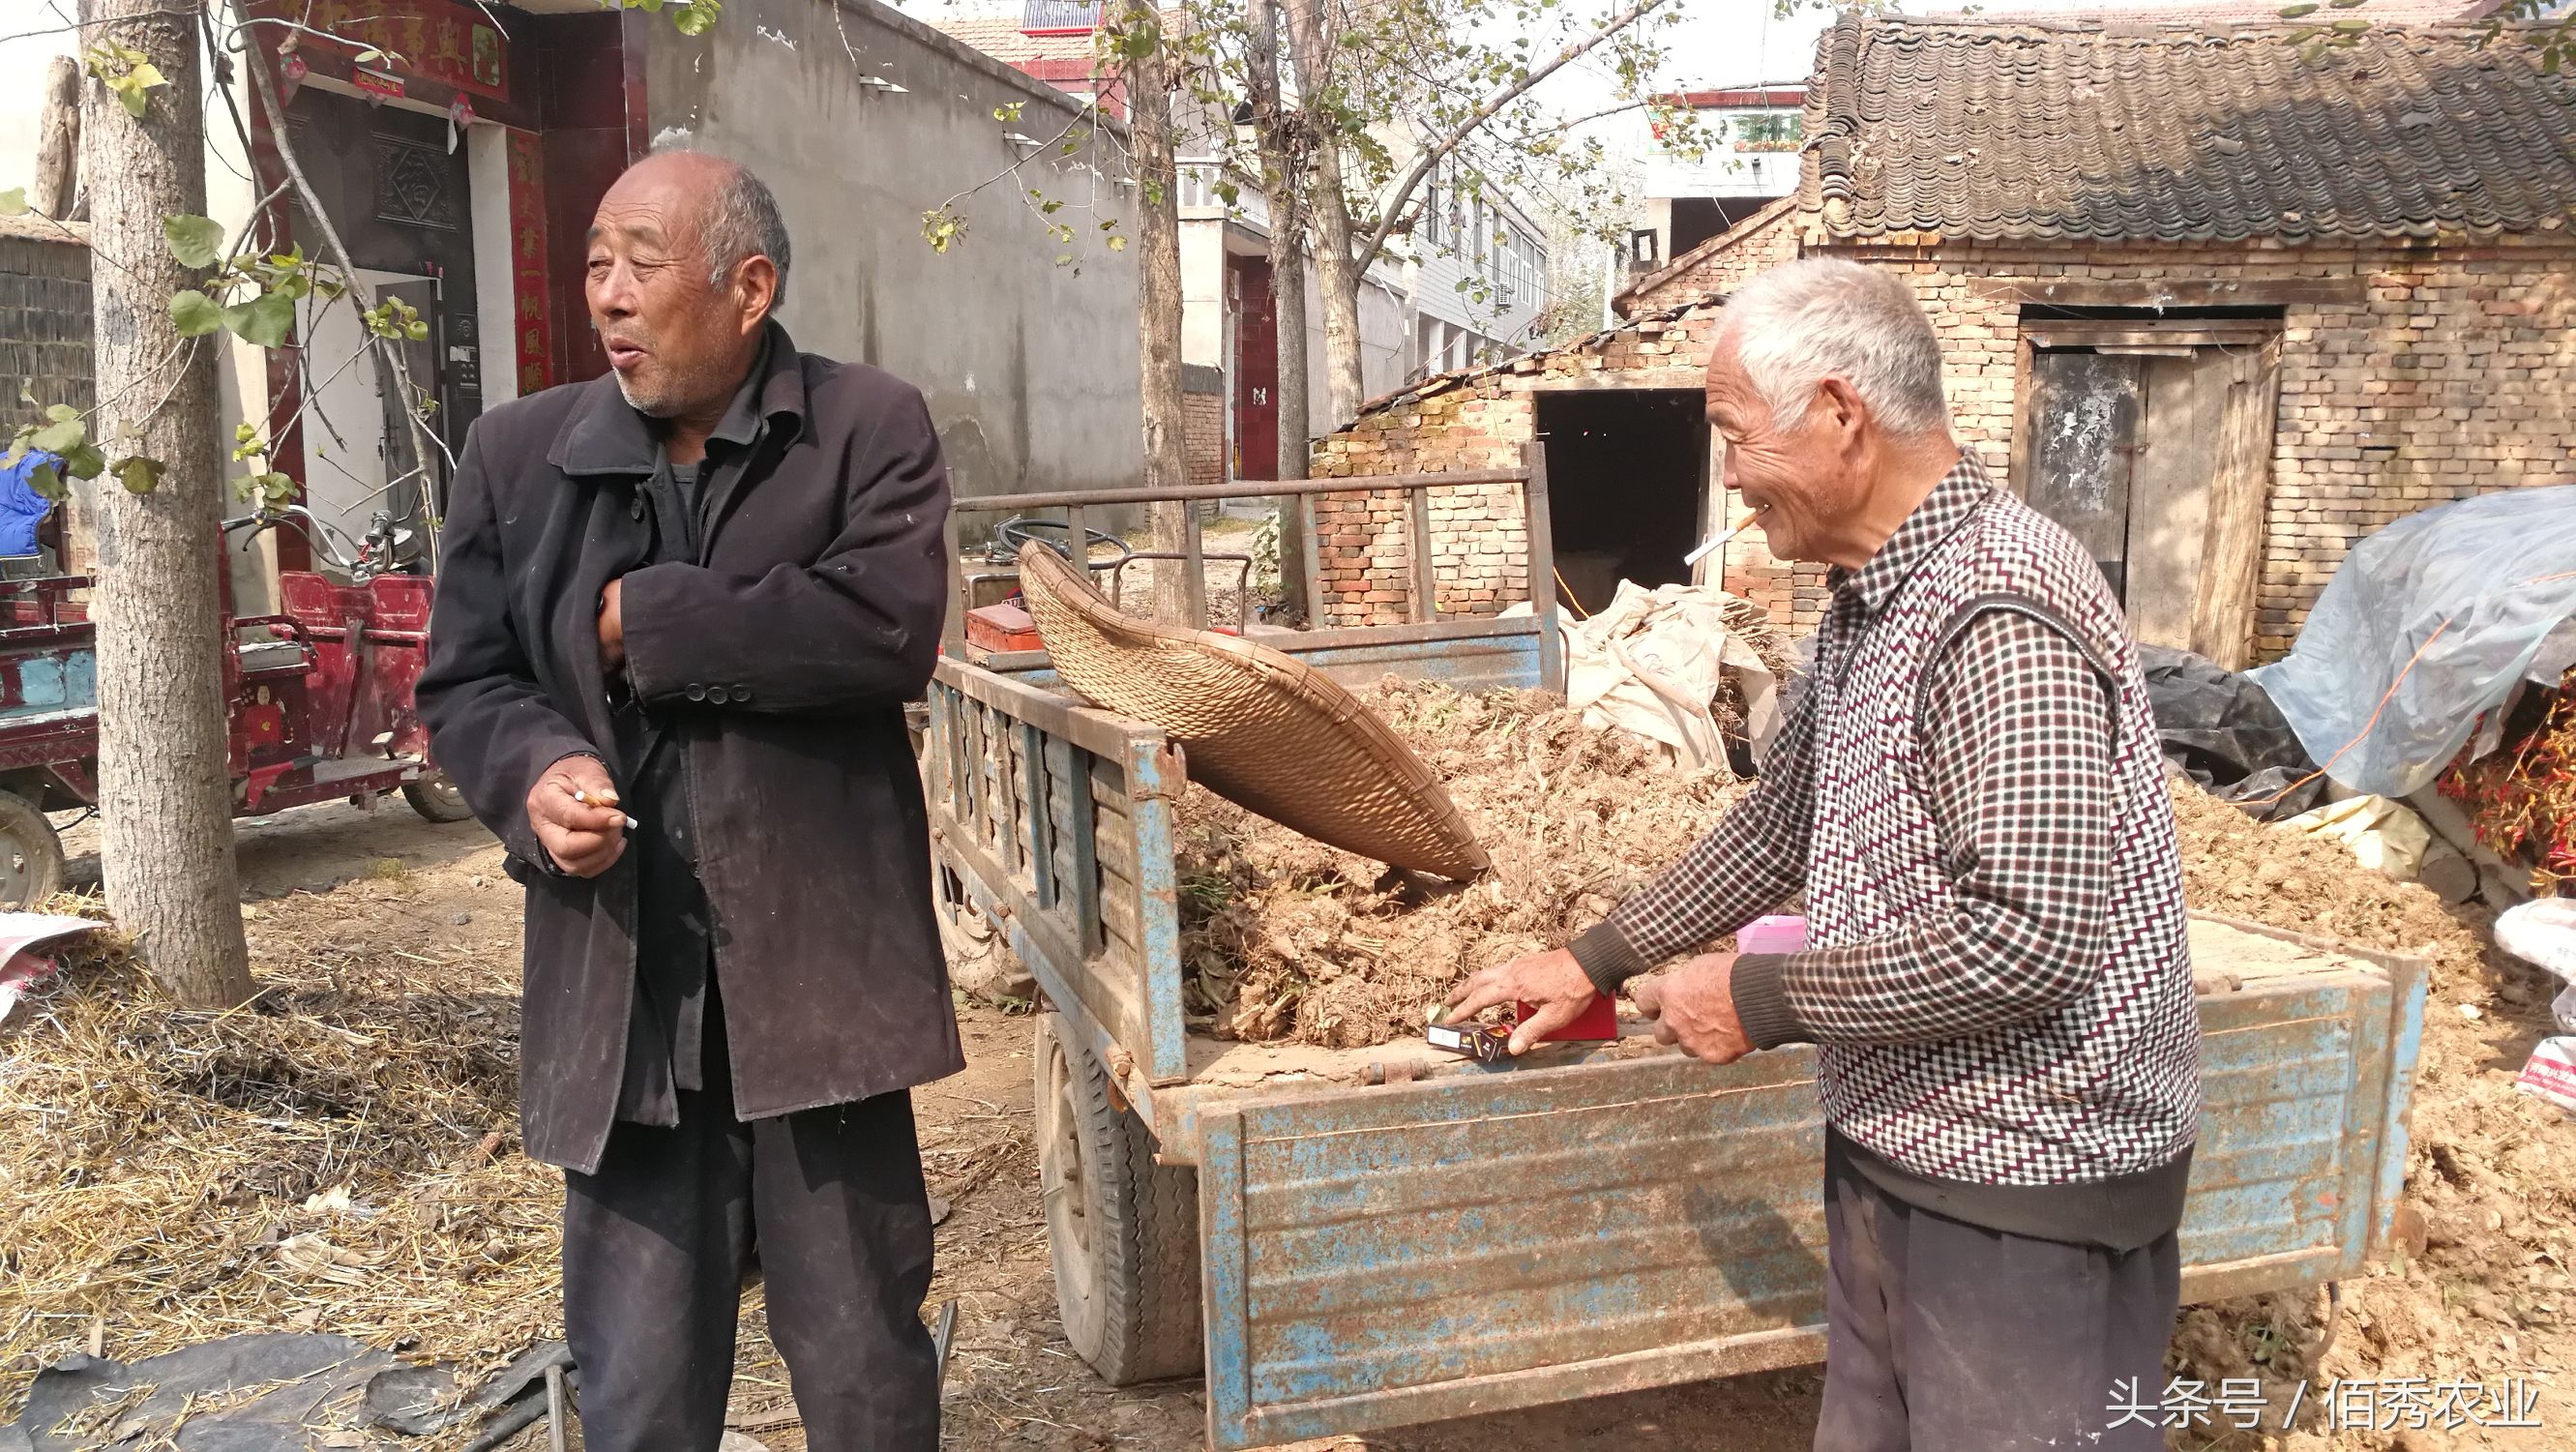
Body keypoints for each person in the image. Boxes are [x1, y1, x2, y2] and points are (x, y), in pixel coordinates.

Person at [1445, 257, 2201, 1452]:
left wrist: (1757, 995)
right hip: (1902, 1144)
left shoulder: (1997, 609)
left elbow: (2028, 937)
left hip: (2024, 1185)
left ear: (1842, 417)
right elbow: (1779, 823)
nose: (1730, 476)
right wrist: (1590, 958)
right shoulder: (1870, 597)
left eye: (1736, 436)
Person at [417, 150, 959, 1452]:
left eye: (640, 264)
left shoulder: (864, 427)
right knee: (638, 1384)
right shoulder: (518, 457)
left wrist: (646, 620)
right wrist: (533, 773)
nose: (606, 292)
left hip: (823, 987)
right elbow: (468, 678)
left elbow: (882, 628)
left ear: (747, 287)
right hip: (626, 996)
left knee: (863, 1364)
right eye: (595, 260)